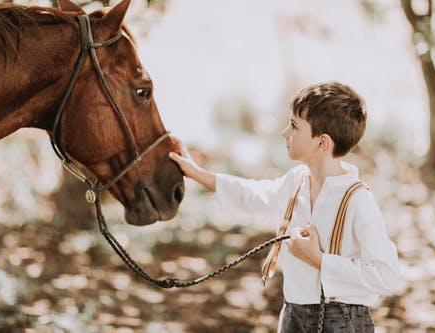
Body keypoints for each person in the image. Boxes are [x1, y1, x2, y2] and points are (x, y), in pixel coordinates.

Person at [168, 81, 400, 333]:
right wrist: (197, 174)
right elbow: (252, 194)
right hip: (292, 314)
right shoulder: (296, 181)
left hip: (342, 320)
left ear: (322, 143)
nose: (284, 133)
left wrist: (319, 260)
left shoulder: (357, 199)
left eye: (294, 126)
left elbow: (385, 275)